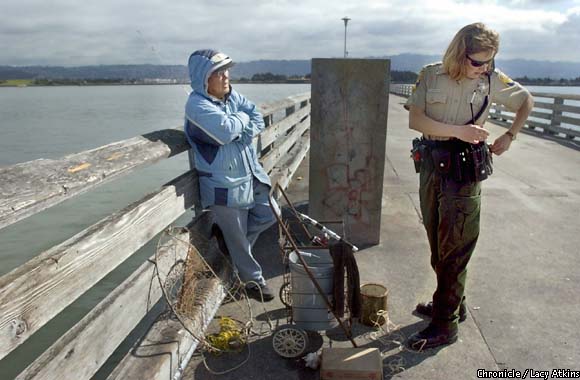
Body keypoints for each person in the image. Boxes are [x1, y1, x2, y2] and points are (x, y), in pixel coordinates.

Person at [404, 23, 534, 349]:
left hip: (464, 169)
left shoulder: (492, 79)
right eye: (477, 61)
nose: (484, 67)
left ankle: (445, 325)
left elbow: (526, 101)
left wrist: (509, 135)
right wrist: (456, 130)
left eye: (489, 61)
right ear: (459, 54)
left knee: (456, 245)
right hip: (432, 163)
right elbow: (415, 119)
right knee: (437, 241)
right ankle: (452, 302)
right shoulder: (431, 75)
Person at [183, 49, 278, 301]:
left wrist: (241, 124)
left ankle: (230, 243)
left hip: (250, 176)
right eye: (218, 72)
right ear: (203, 78)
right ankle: (253, 282)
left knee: (270, 213)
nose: (226, 77)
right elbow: (224, 132)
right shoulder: (197, 105)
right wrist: (242, 120)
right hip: (223, 185)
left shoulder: (231, 97)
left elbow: (257, 117)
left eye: (226, 71)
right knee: (237, 236)